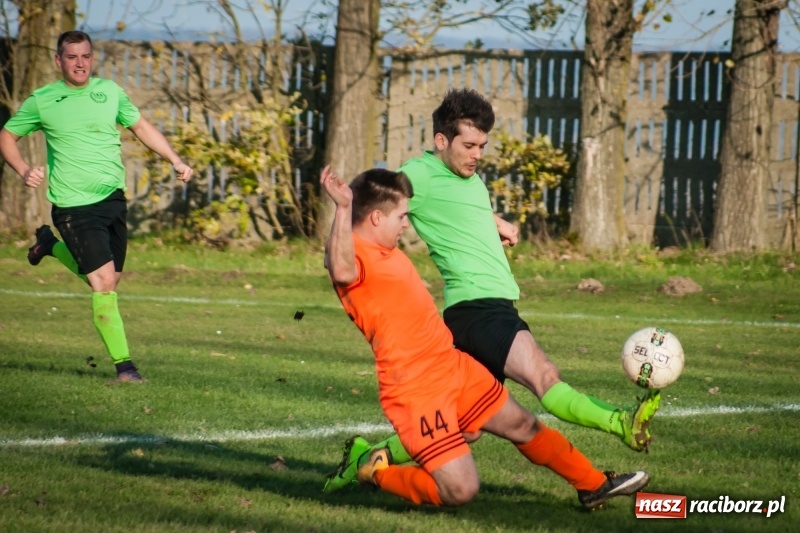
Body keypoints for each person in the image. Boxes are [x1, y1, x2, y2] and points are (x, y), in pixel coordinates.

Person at [324, 88, 661, 491]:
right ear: (441, 141)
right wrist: (344, 207)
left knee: (474, 428)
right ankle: (618, 423)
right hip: (474, 308)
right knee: (543, 376)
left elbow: (454, 210)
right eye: (468, 144)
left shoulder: (468, 178)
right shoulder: (417, 177)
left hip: (462, 340)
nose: (477, 153)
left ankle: (368, 457)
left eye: (482, 145)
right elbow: (372, 204)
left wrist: (493, 222)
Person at [0, 31, 193, 383]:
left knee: (110, 280)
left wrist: (175, 159)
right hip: (73, 206)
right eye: (71, 57)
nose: (79, 63)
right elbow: (7, 135)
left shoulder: (111, 93)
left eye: (85, 56)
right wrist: (24, 170)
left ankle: (50, 246)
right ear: (58, 60)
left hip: (113, 201)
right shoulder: (43, 100)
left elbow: (141, 127)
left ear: (92, 58)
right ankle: (125, 368)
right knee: (103, 283)